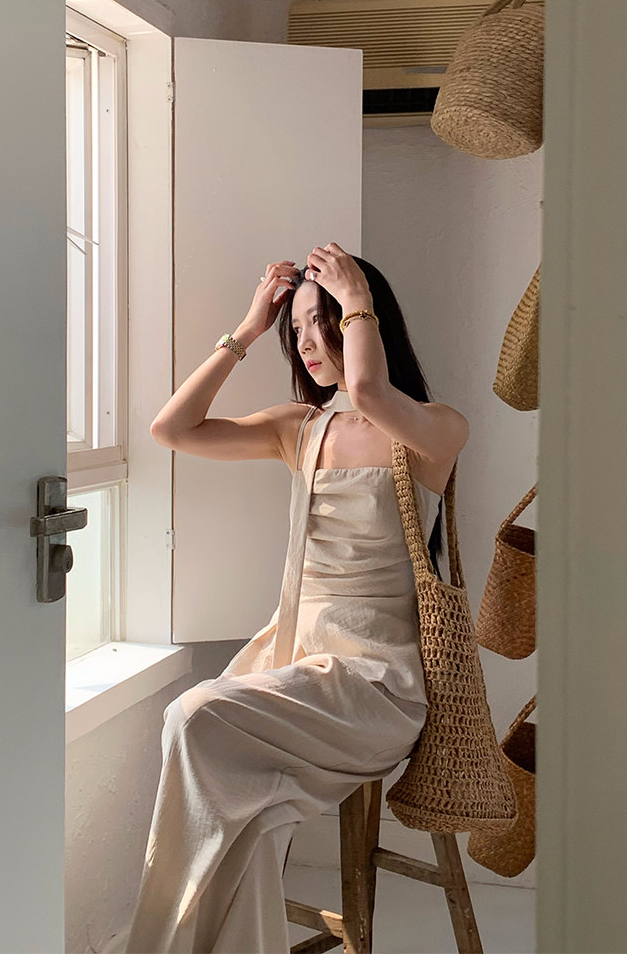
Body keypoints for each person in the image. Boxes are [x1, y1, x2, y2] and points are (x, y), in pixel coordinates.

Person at [124, 242, 469, 953]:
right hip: (291, 665)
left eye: (325, 321)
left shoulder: (436, 428)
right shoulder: (300, 429)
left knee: (193, 713)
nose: (308, 341)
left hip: (374, 686)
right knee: (236, 799)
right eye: (299, 328)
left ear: (365, 319)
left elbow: (370, 393)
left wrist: (357, 294)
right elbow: (171, 429)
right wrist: (250, 328)